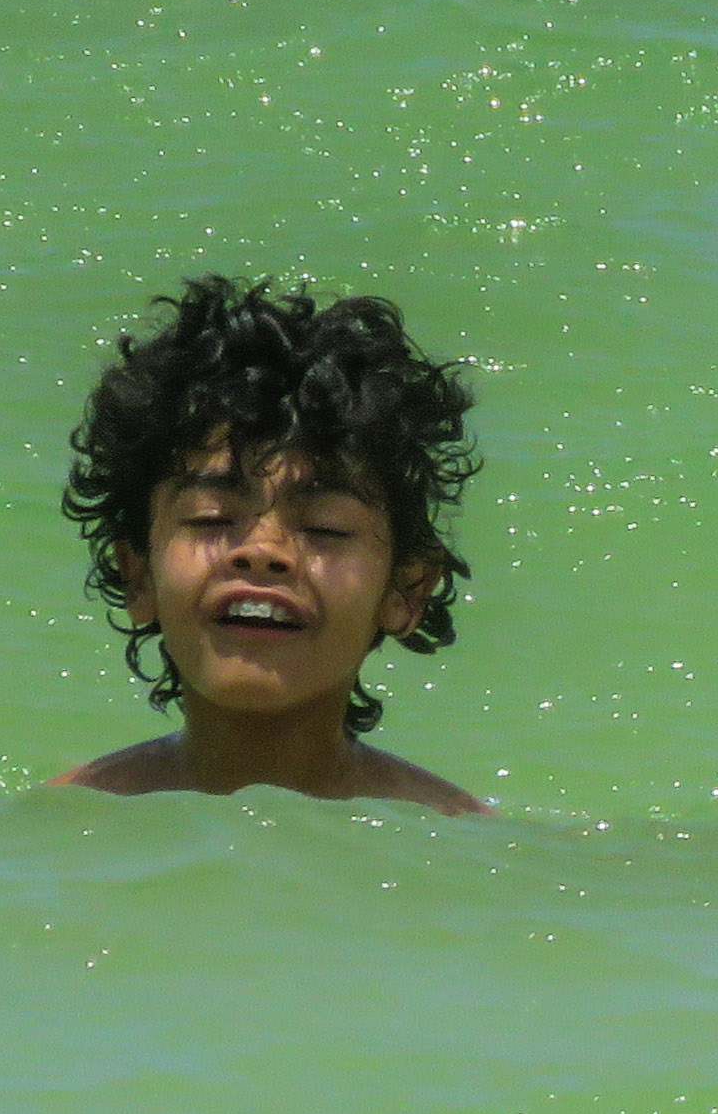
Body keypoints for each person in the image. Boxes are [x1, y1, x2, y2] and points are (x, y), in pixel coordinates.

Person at [51, 276, 488, 812]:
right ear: (138, 575)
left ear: (406, 590)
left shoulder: (454, 840)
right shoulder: (63, 828)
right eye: (212, 519)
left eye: (325, 528)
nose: (262, 551)